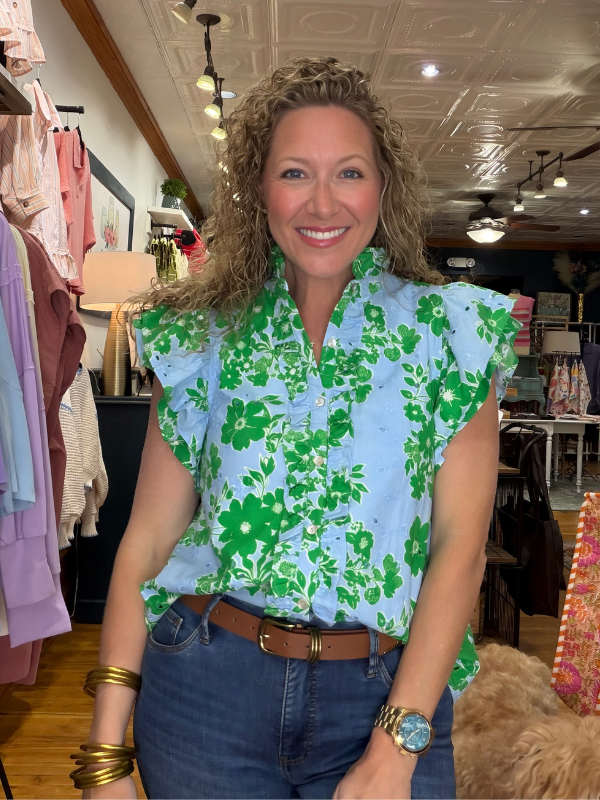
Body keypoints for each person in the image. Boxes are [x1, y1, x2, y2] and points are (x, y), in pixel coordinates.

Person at [72, 57, 520, 800]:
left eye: (348, 172)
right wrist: (102, 753)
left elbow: (459, 549)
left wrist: (397, 747)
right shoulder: (204, 339)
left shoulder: (453, 336)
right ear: (259, 189)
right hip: (205, 690)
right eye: (294, 173)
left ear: (384, 186)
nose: (322, 202)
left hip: (384, 692)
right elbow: (148, 544)